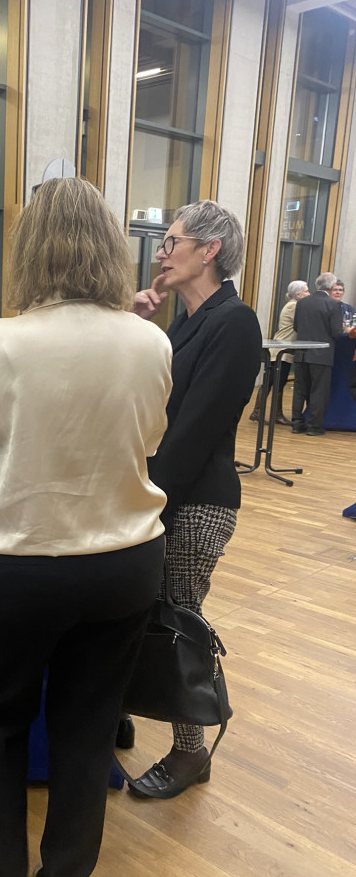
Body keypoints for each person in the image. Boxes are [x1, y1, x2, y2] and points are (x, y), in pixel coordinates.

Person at [0, 177, 173, 877]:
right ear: (110, 247)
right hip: (123, 559)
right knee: (88, 724)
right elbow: (149, 441)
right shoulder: (150, 342)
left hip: (12, 562)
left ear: (29, 249)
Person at [129, 199, 262, 799]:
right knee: (140, 610)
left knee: (179, 621)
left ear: (209, 250)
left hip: (196, 501)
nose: (161, 252)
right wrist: (138, 325)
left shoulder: (235, 321)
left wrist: (150, 503)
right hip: (163, 493)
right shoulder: (184, 320)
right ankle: (123, 709)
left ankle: (191, 752)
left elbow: (195, 429)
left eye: (172, 241)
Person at [249, 279, 308, 425]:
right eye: (306, 291)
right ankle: (259, 412)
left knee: (278, 383)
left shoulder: (293, 305)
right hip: (281, 350)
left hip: (283, 349)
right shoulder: (294, 306)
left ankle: (274, 414)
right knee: (272, 382)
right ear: (298, 294)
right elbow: (302, 323)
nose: (308, 293)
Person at [291, 272, 344, 436]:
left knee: (299, 389)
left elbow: (296, 327)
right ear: (331, 286)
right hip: (322, 354)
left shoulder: (302, 303)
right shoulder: (333, 305)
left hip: (301, 352)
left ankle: (297, 424)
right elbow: (336, 332)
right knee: (319, 391)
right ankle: (314, 426)